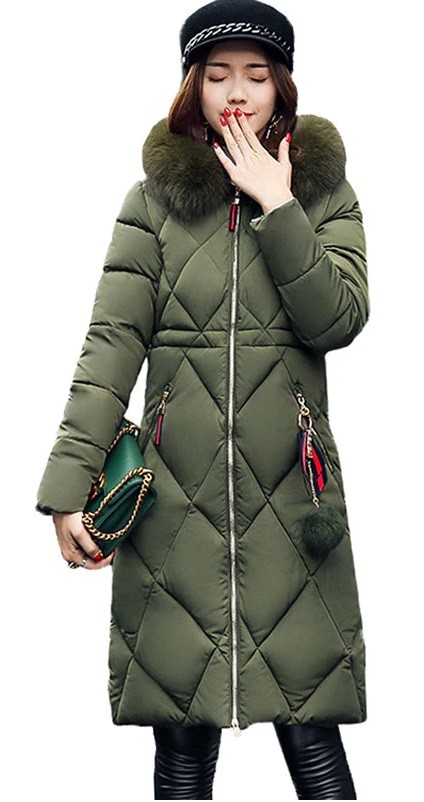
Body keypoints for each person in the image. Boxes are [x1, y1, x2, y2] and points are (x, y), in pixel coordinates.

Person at [35, 0, 370, 798]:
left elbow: (338, 320)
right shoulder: (153, 202)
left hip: (292, 503)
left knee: (314, 741)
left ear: (281, 87)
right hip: (173, 505)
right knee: (181, 747)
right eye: (218, 75)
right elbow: (109, 349)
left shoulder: (324, 194)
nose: (237, 93)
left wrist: (279, 205)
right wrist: (65, 491)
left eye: (256, 75)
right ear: (193, 86)